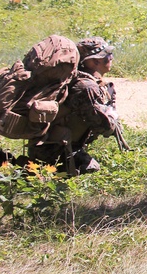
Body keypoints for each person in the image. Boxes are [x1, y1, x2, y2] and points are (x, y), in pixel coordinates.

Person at [28, 37, 119, 176]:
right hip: (55, 151)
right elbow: (103, 127)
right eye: (107, 55)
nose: (111, 57)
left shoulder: (80, 80)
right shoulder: (86, 87)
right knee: (94, 172)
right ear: (95, 61)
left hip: (51, 145)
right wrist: (112, 114)